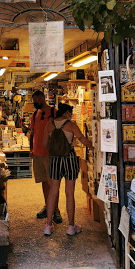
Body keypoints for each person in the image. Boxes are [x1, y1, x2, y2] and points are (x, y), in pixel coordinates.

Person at [43, 103, 94, 236]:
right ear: (66, 113)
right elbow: (82, 140)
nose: (70, 116)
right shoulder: (71, 125)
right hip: (69, 159)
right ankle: (71, 226)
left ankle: (48, 225)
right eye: (70, 113)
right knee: (69, 192)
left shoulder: (49, 125)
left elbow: (44, 144)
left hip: (54, 159)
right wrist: (93, 146)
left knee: (53, 191)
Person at [30, 90, 62, 224]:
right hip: (37, 154)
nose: (35, 103)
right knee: (44, 182)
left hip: (51, 155)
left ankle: (56, 209)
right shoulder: (34, 115)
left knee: (53, 183)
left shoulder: (54, 112)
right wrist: (30, 149)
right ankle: (47, 206)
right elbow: (32, 133)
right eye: (33, 101)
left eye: (36, 100)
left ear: (43, 98)